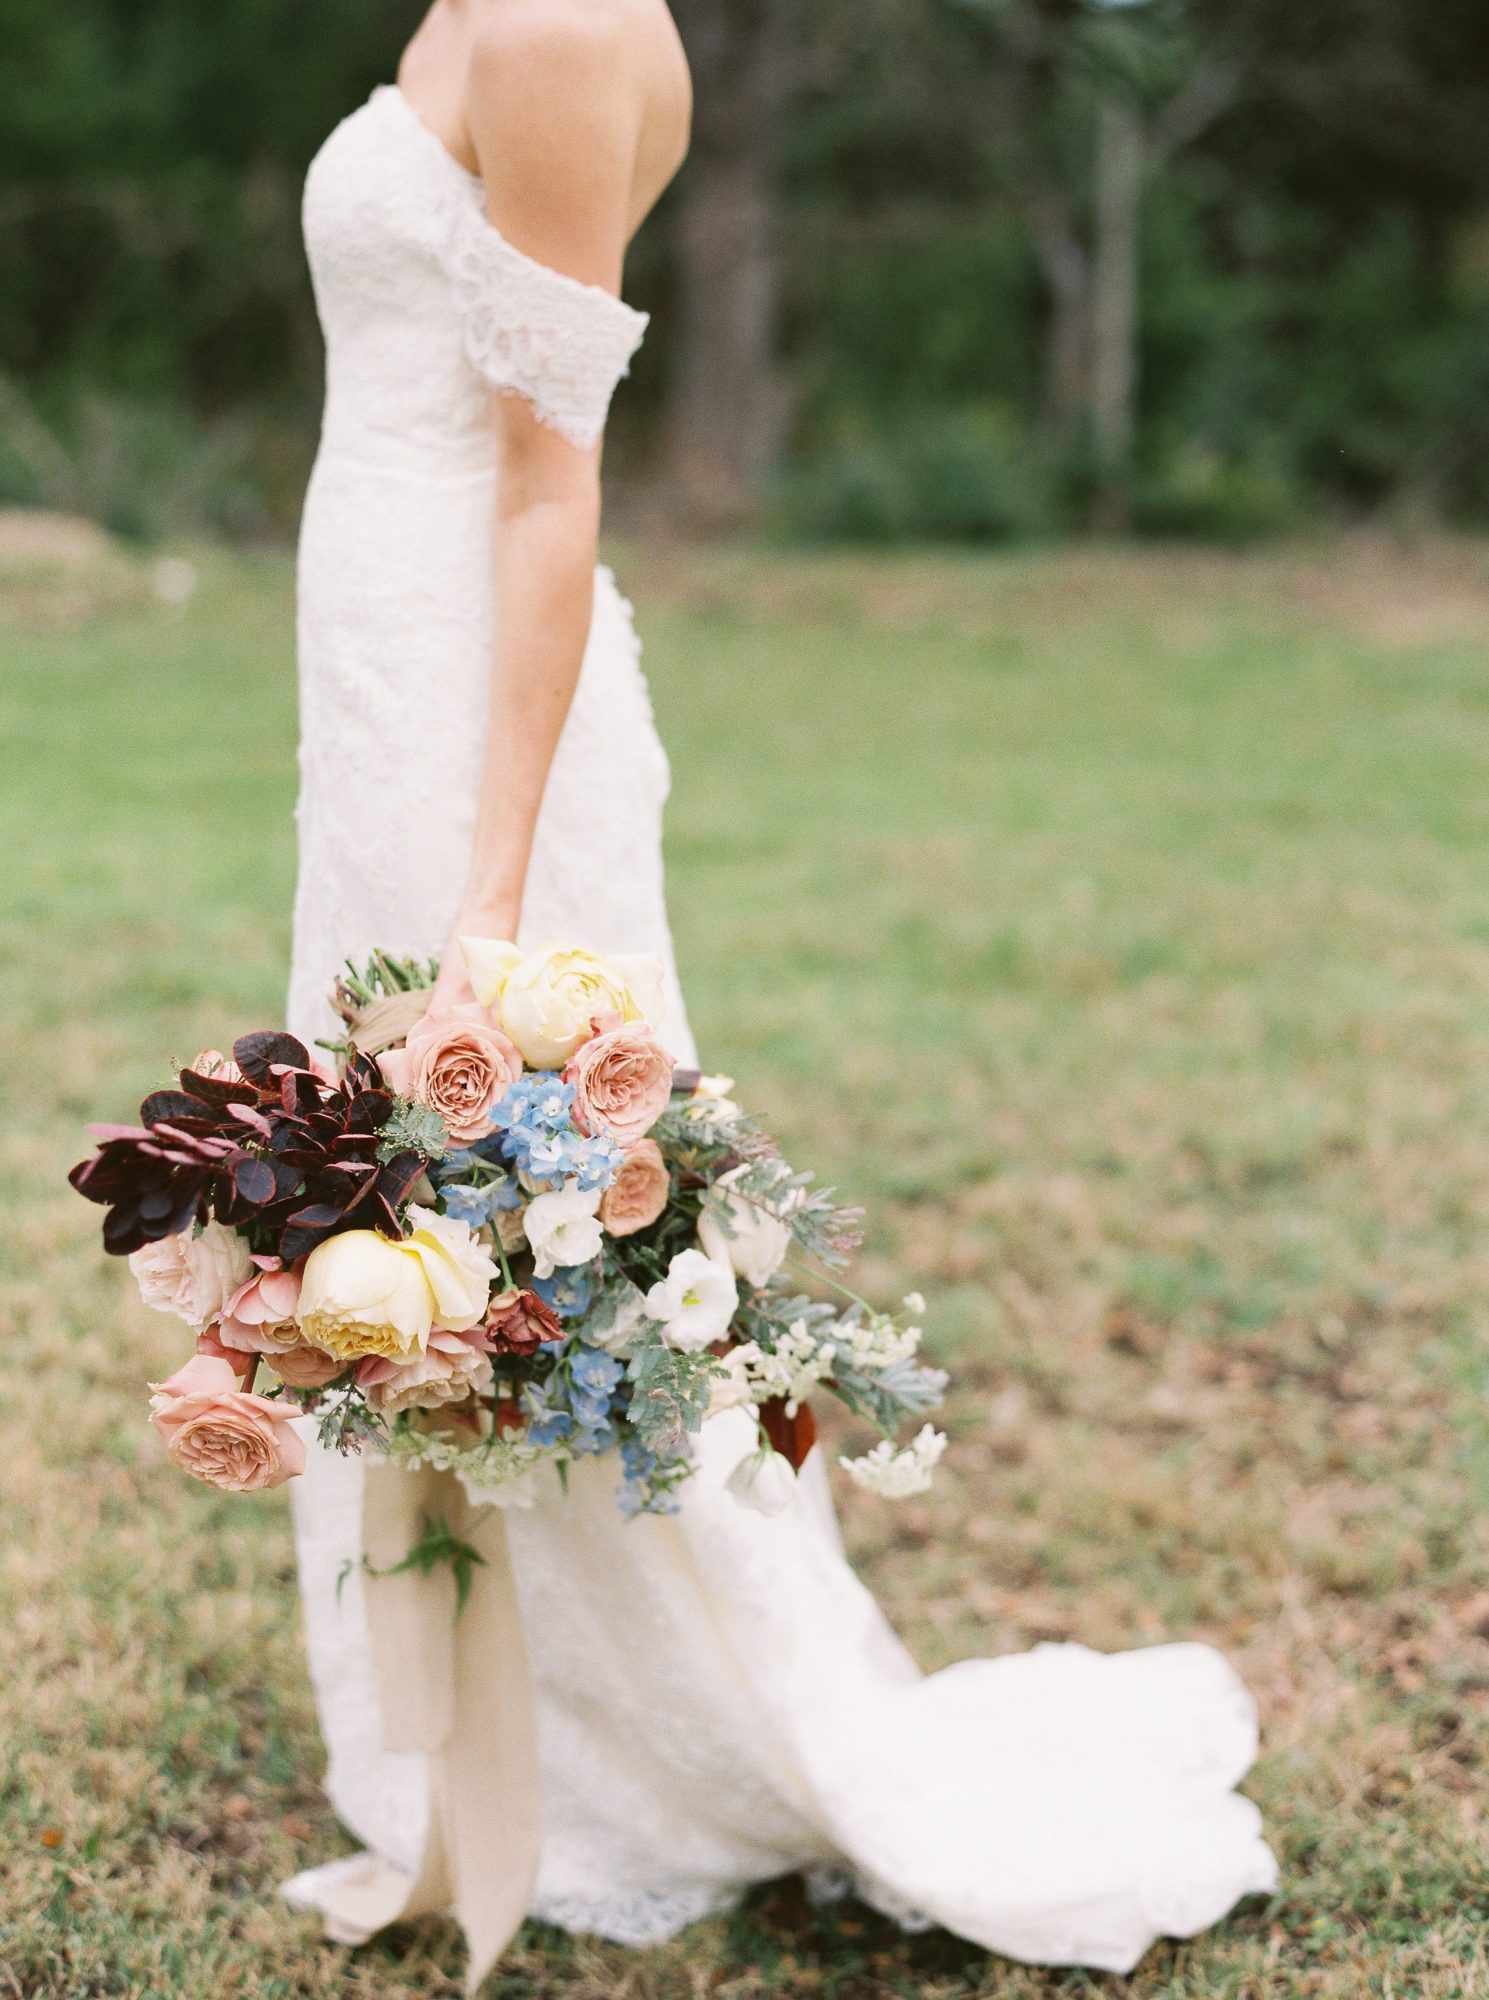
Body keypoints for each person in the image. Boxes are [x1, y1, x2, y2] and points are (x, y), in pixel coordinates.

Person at [282, 0, 1277, 1979]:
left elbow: (552, 487)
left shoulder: (565, 29)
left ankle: (631, 1745)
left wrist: (487, 896)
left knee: (531, 1219)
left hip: (477, 723)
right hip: (386, 669)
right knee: (428, 1226)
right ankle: (487, 1720)